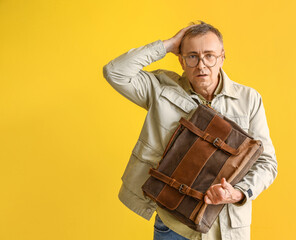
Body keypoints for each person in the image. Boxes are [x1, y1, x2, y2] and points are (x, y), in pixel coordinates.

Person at [102, 21, 277, 240]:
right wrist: (167, 45)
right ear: (181, 60)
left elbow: (267, 163)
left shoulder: (249, 99)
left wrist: (238, 193)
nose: (201, 65)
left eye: (209, 56)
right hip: (172, 224)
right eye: (192, 56)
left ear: (222, 57)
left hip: (226, 228)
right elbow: (114, 72)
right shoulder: (160, 88)